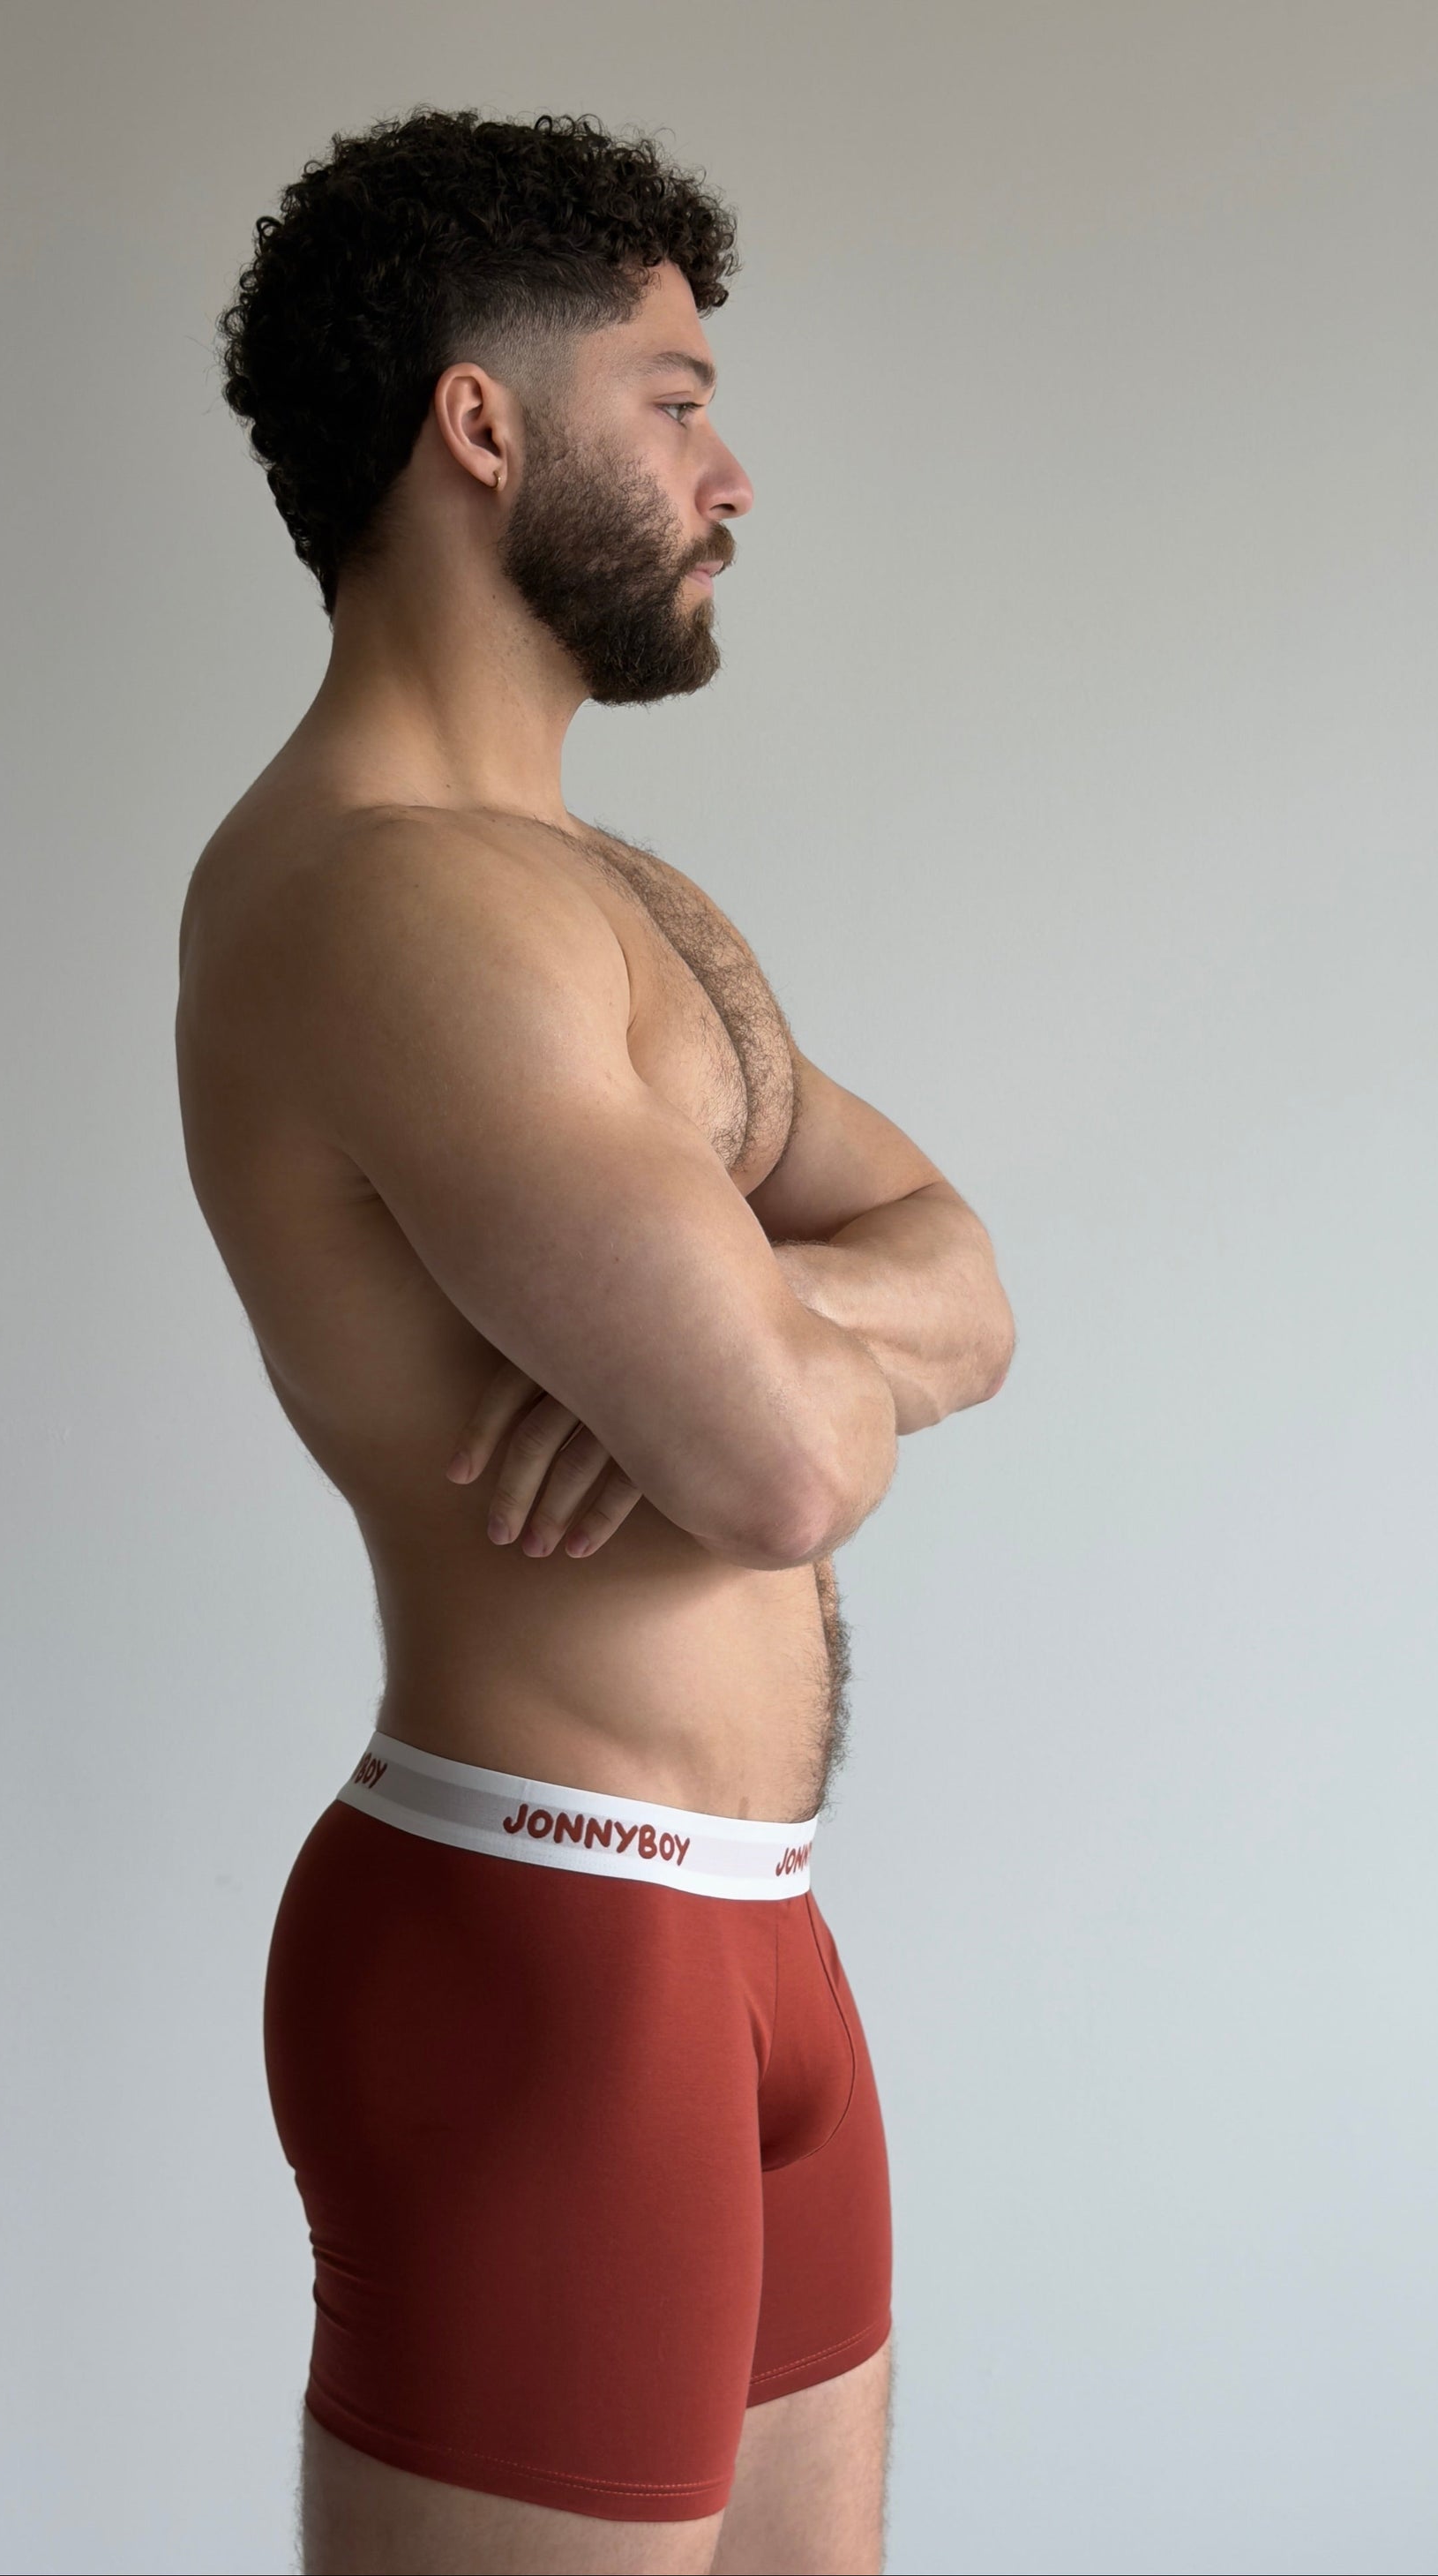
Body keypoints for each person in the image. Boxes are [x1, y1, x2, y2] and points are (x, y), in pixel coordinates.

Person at [176, 107, 1015, 2576]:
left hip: (751, 1940)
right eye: (672, 396)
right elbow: (773, 1473)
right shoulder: (389, 912)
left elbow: (967, 1268)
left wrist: (765, 1318)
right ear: (480, 423)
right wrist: (772, 1361)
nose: (727, 470)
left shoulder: (603, 895)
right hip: (537, 1959)